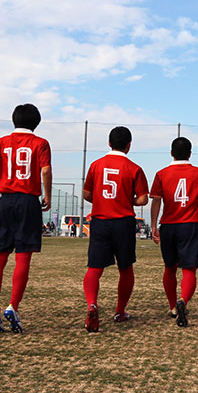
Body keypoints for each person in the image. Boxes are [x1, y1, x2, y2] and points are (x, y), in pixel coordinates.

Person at [0, 104, 52, 334]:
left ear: (14, 120)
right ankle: (13, 306)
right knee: (23, 257)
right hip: (28, 201)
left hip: (6, 200)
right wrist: (47, 196)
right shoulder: (40, 143)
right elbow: (45, 170)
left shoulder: (2, 141)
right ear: (37, 121)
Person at [82, 126, 149, 330]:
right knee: (125, 268)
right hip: (124, 222)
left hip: (100, 221)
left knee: (95, 268)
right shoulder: (134, 168)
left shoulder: (96, 165)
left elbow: (86, 194)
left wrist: (101, 200)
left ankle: (92, 303)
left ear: (109, 143)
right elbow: (143, 199)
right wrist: (127, 200)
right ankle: (120, 311)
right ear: (129, 145)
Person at [150, 137, 198, 328]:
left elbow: (156, 201)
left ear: (171, 153)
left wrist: (153, 225)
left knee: (169, 267)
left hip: (168, 224)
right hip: (190, 225)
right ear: (190, 153)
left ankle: (172, 306)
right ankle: (183, 301)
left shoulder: (161, 174)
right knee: (189, 268)